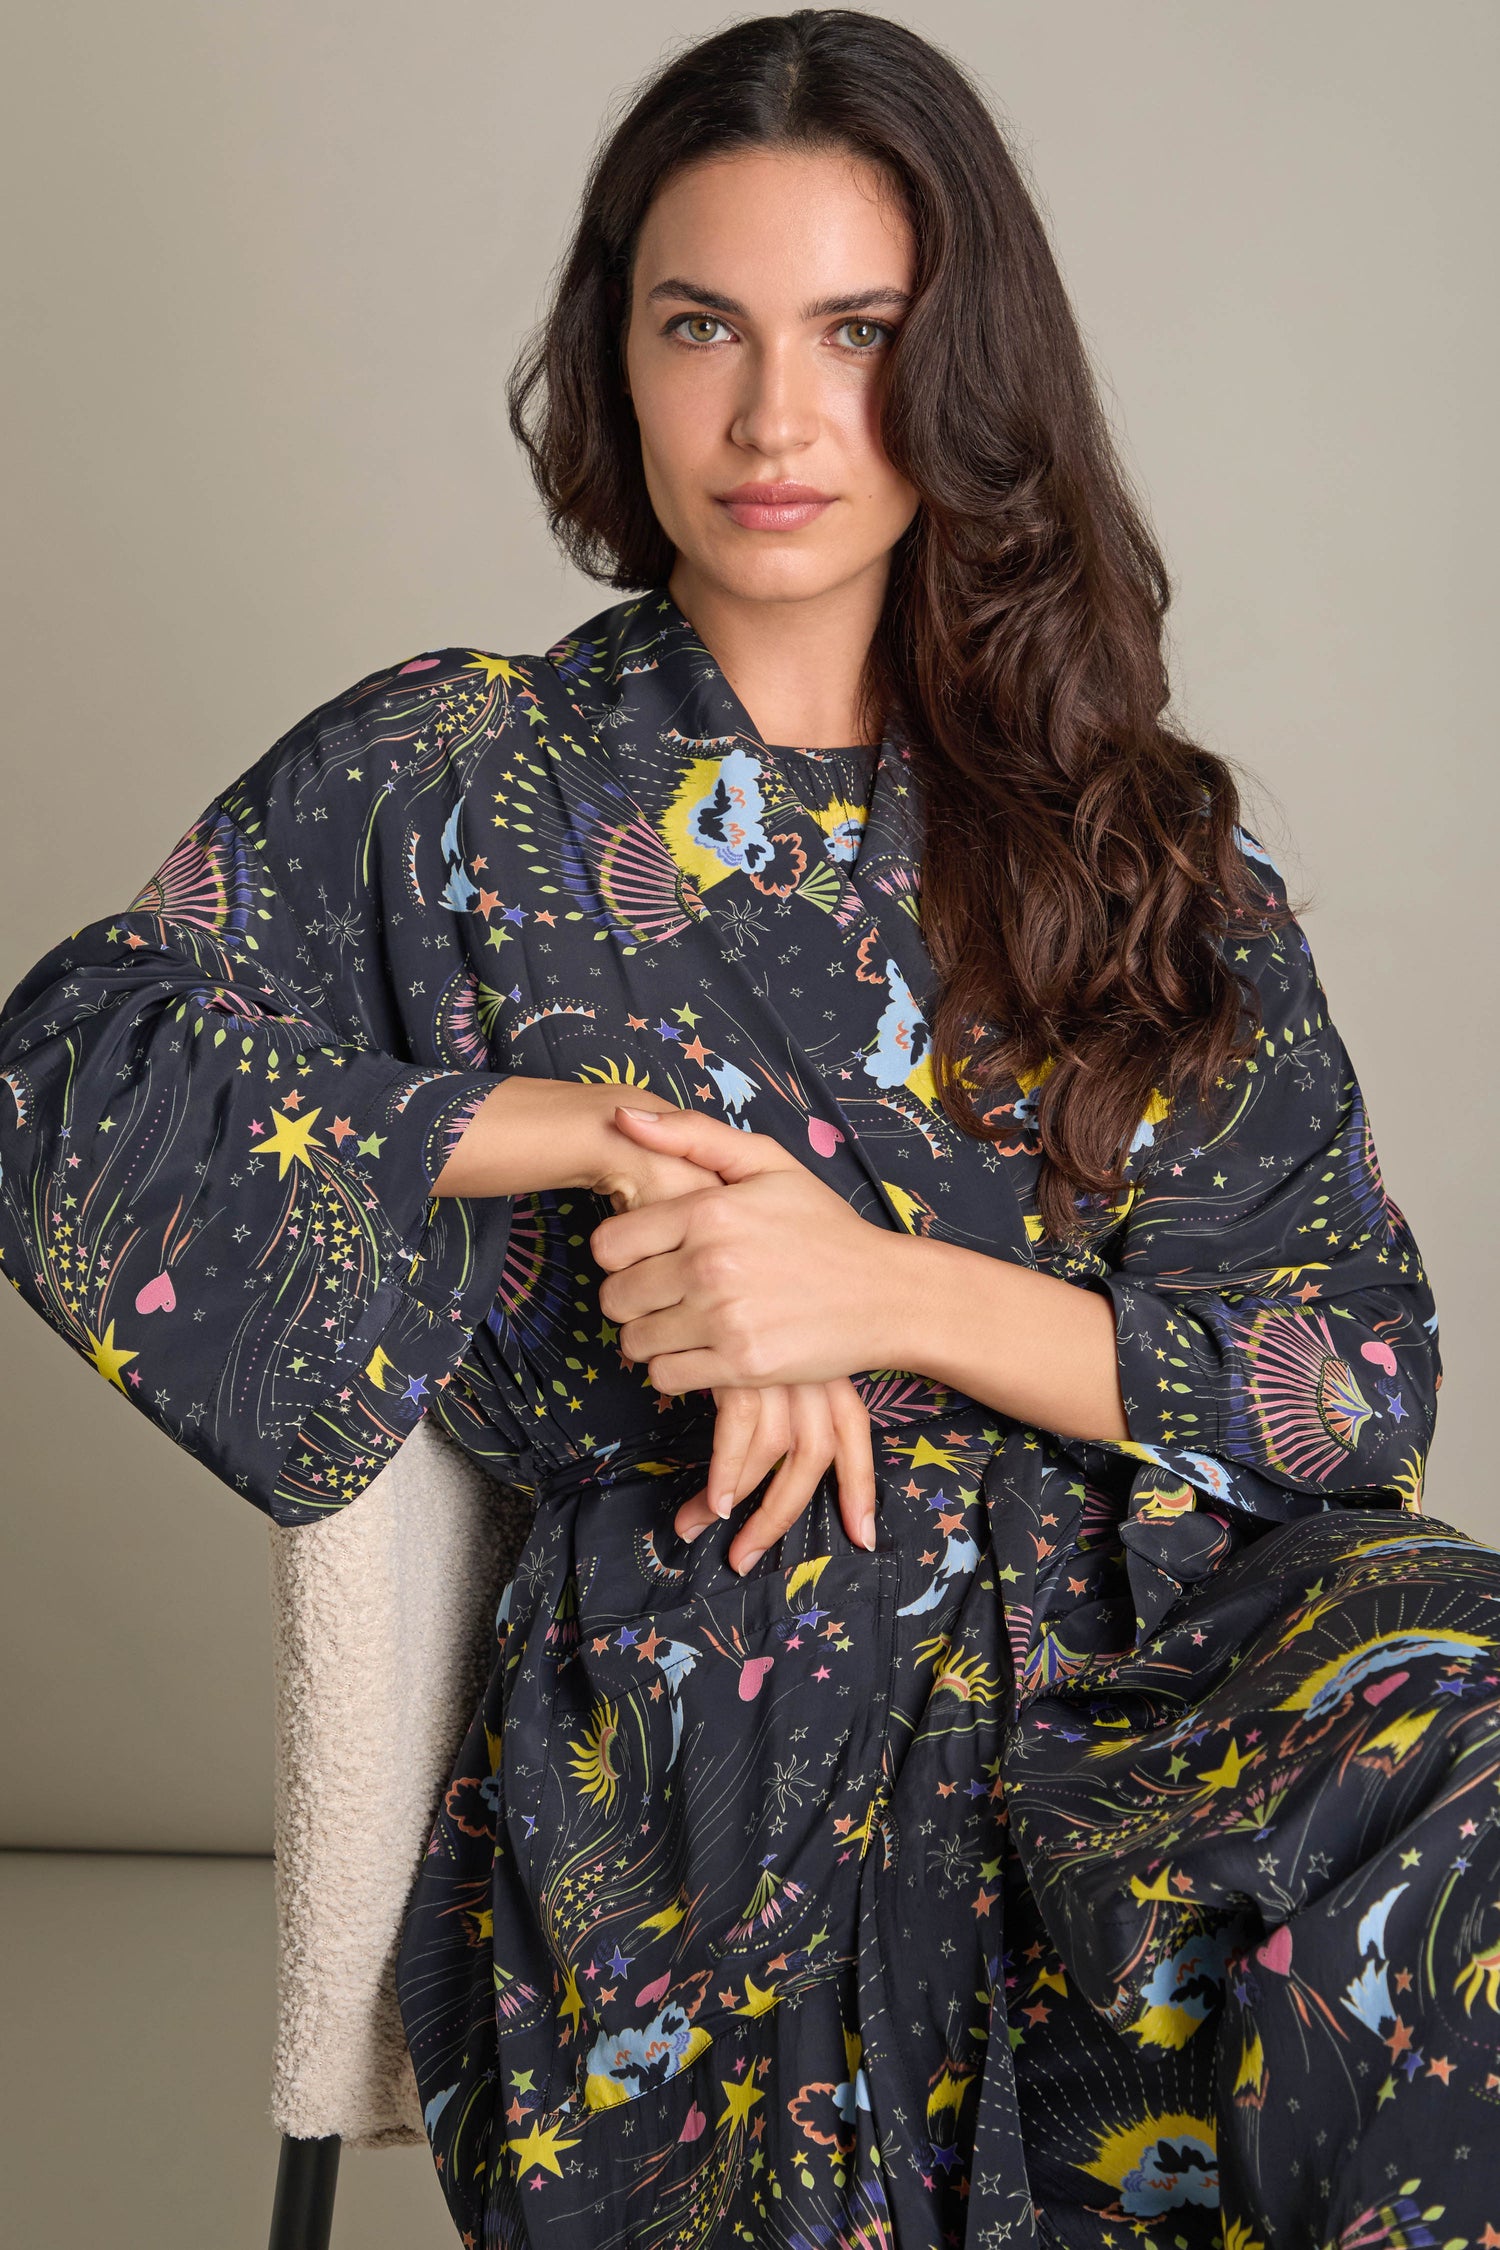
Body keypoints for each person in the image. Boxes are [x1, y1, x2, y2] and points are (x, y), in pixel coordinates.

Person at [1, 10, 1495, 2246]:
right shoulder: (451, 781)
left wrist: (880, 1289)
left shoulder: (1133, 841)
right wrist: (579, 1135)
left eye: (858, 332)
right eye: (701, 325)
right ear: (617, 357)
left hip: (1177, 1660)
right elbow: (65, 1075)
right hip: (726, 1692)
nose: (776, 417)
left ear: (963, 367)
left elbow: (1353, 1378)